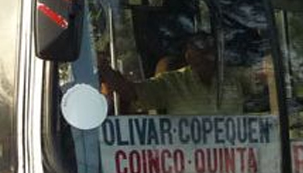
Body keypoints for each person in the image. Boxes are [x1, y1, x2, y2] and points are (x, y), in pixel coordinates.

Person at [100, 34, 265, 116]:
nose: (207, 57)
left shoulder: (233, 77)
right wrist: (103, 68)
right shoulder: (171, 83)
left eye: (210, 51)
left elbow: (265, 74)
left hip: (235, 166)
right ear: (189, 56)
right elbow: (131, 93)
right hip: (187, 170)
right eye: (200, 52)